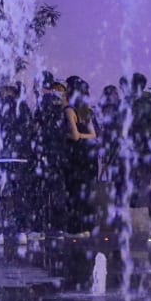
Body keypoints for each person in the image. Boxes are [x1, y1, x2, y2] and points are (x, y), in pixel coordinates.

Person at [63, 76, 97, 236]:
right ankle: (87, 227)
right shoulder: (86, 110)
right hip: (88, 157)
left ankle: (76, 228)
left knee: (74, 191)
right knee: (86, 191)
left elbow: (75, 136)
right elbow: (94, 135)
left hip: (74, 156)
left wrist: (71, 136)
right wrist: (83, 135)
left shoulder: (69, 110)